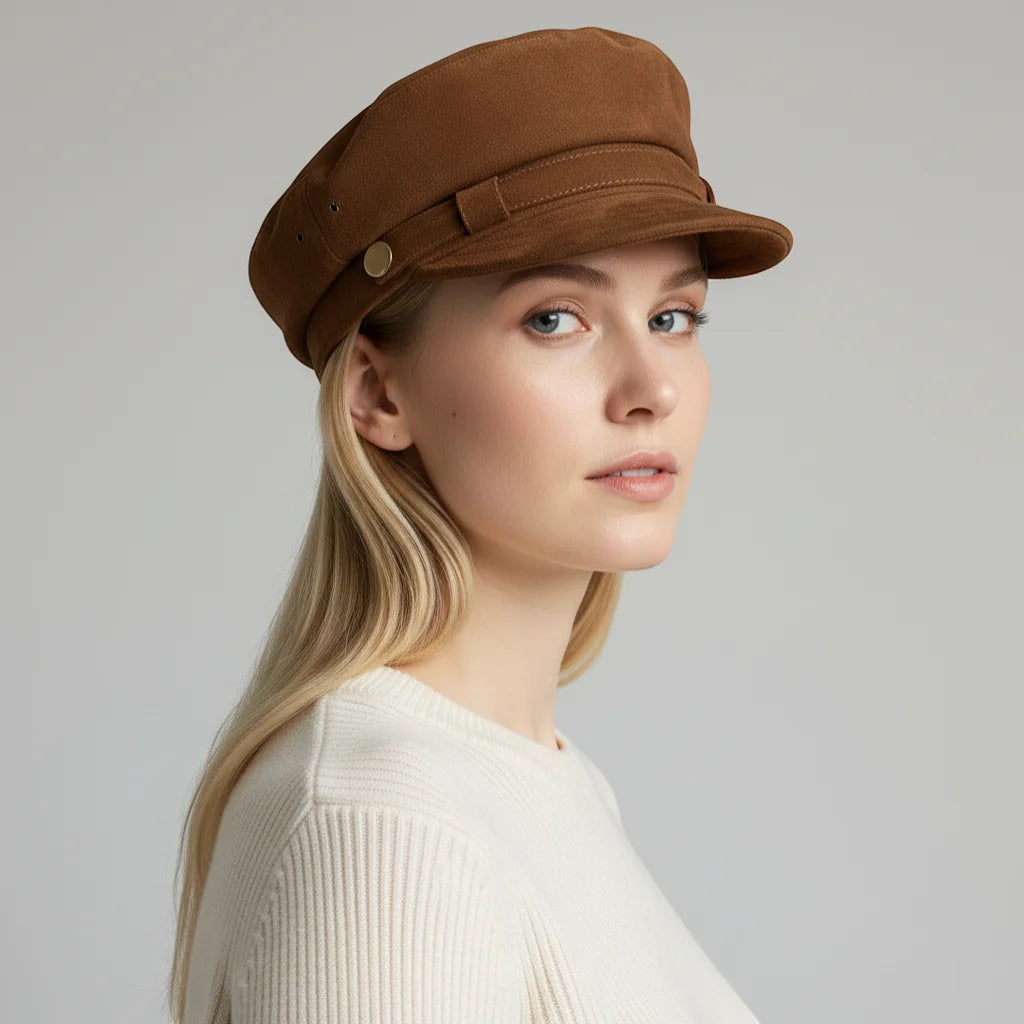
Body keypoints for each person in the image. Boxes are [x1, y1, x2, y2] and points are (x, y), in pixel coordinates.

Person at [168, 25, 793, 1024]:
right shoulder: (388, 827)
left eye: (674, 316)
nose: (649, 388)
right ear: (378, 393)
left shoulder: (533, 780)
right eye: (555, 318)